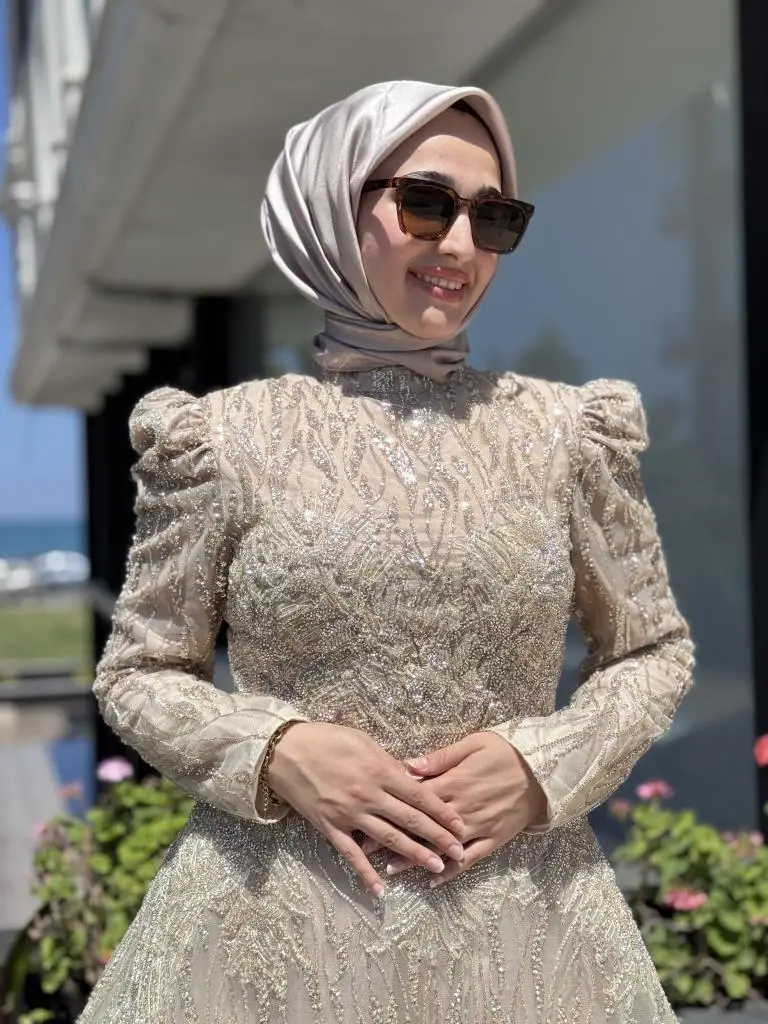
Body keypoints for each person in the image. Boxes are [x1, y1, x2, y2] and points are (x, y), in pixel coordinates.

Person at [77, 80, 694, 1023]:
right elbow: (139, 672)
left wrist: (542, 767)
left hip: (526, 944)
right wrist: (278, 751)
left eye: (494, 217)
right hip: (268, 947)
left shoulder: (569, 434)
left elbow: (652, 651)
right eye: (426, 204)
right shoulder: (220, 441)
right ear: (332, 204)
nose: (460, 246)